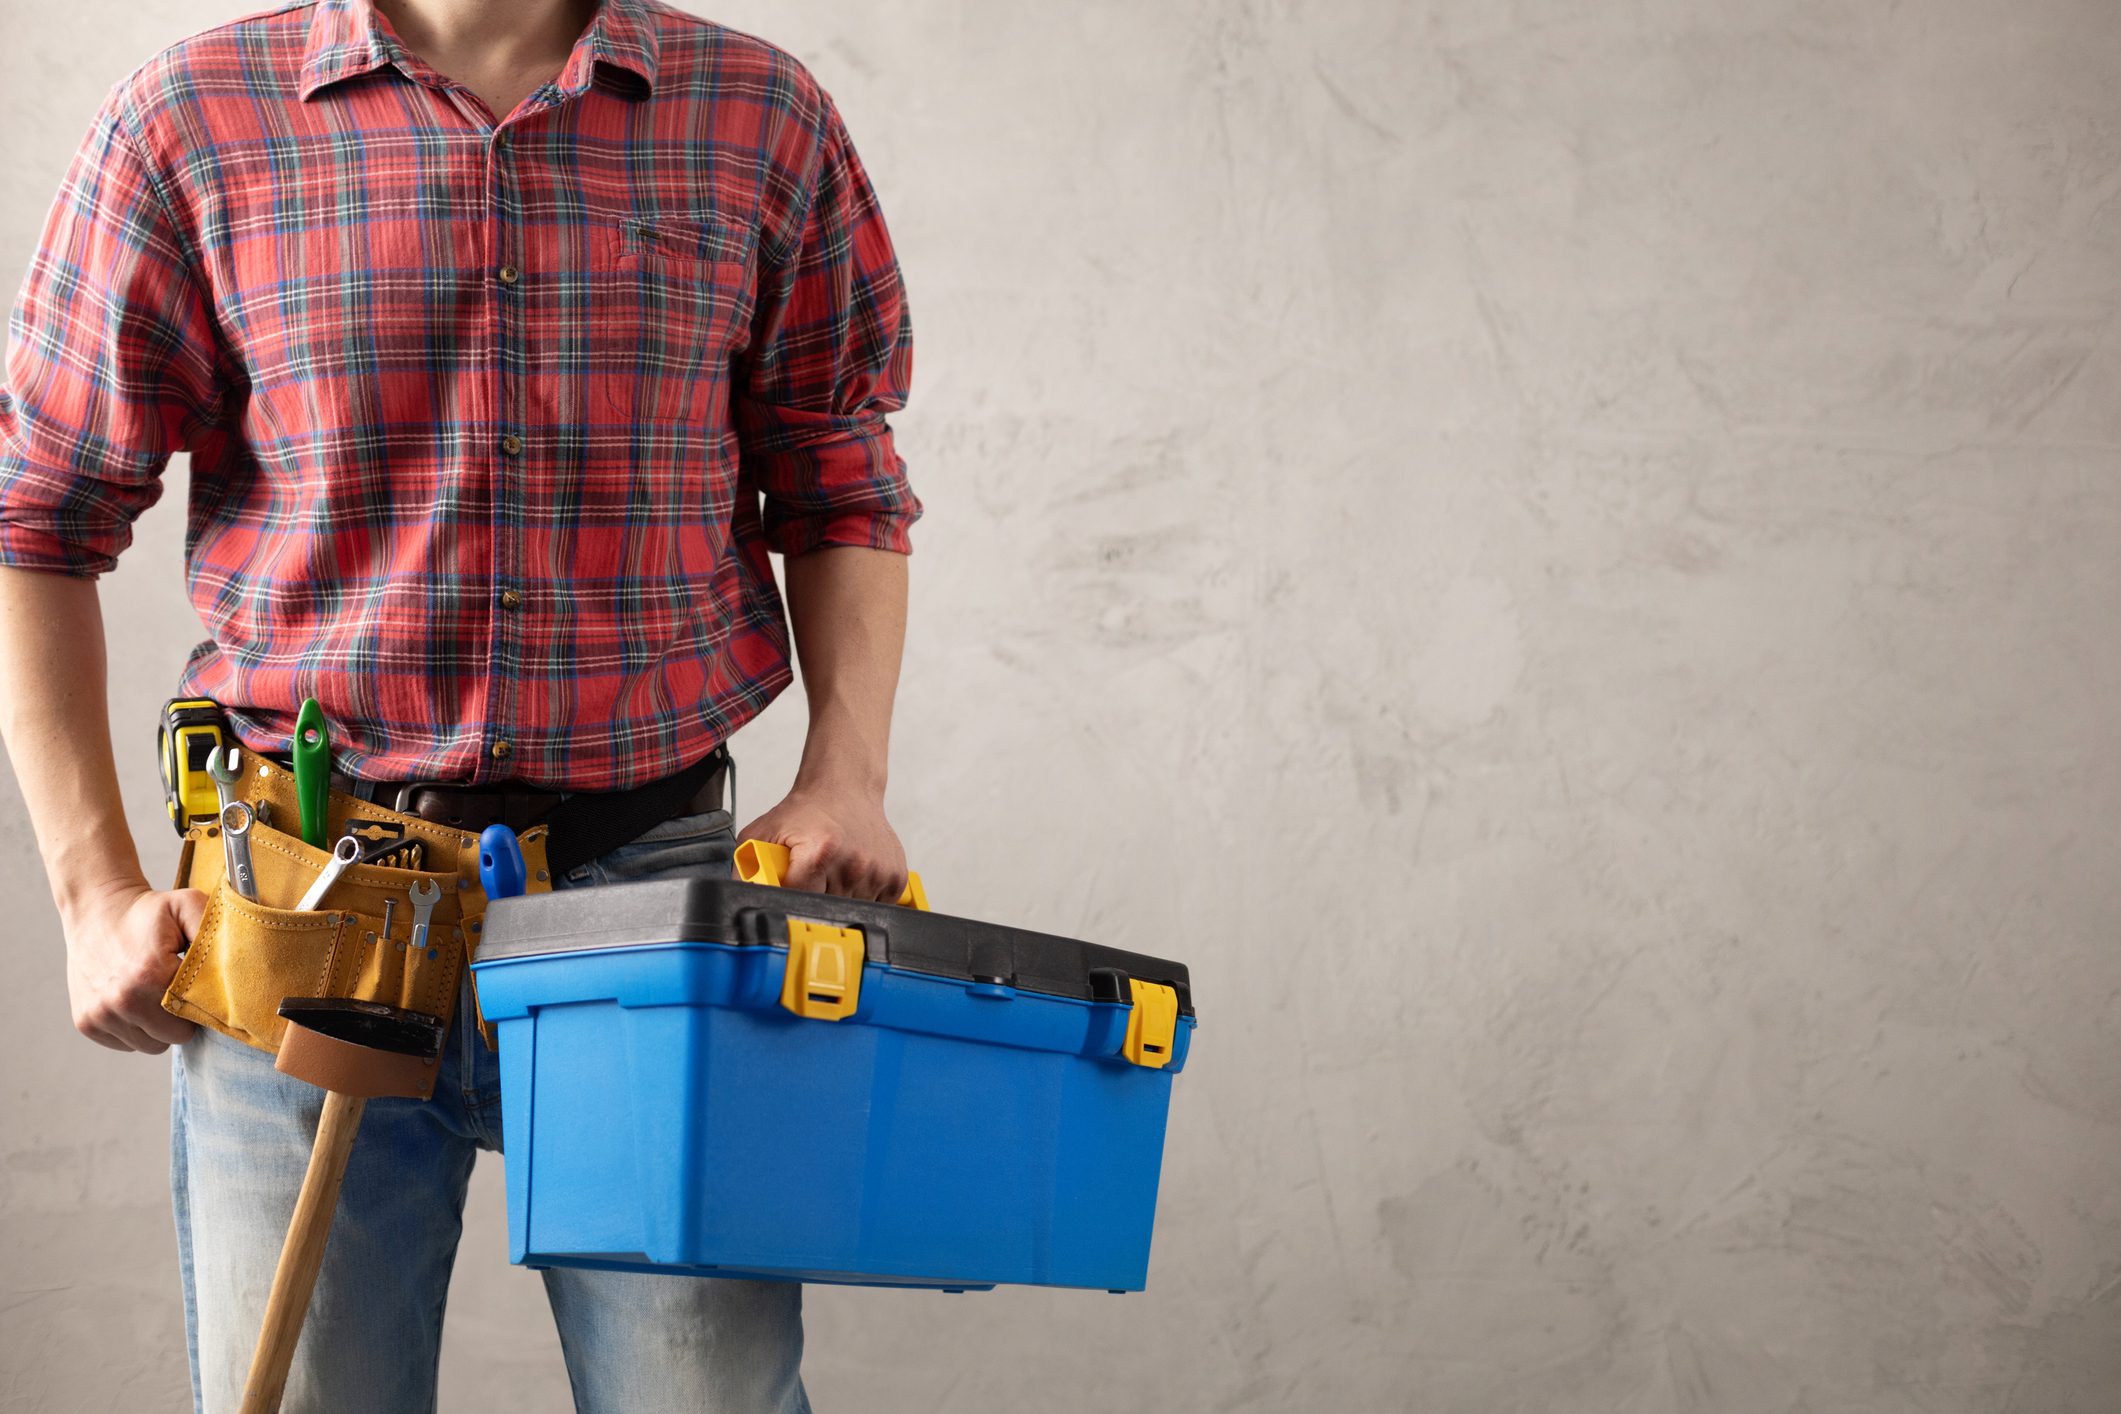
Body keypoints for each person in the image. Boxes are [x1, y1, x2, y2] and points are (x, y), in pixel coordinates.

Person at [0, 0, 920, 1406]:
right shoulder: (189, 121)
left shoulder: (757, 115)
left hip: (654, 905)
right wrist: (88, 896)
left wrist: (845, 775)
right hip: (301, 907)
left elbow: (838, 474)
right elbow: (34, 521)